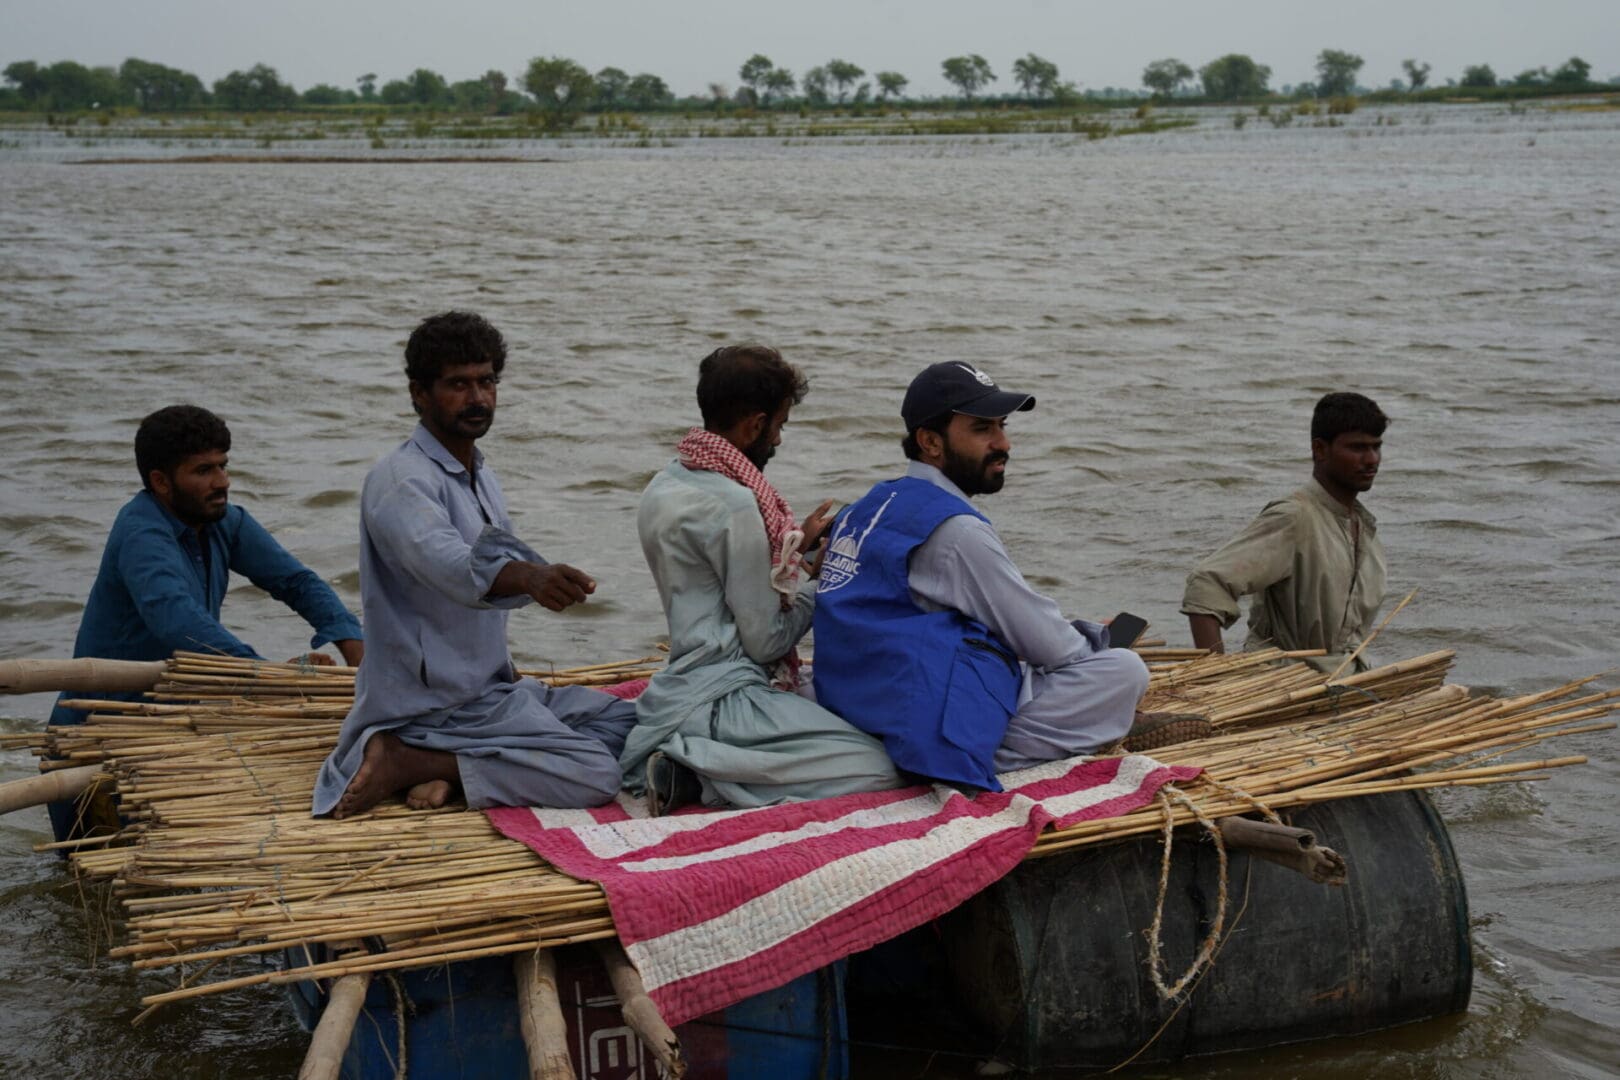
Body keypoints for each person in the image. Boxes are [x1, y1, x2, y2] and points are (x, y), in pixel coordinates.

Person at [311, 312, 636, 818]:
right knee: (595, 772)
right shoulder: (401, 481)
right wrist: (530, 576)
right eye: (458, 385)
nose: (478, 398)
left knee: (630, 725)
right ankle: (409, 759)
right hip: (429, 707)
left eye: (486, 382)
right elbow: (450, 565)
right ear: (420, 393)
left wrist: (537, 585)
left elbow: (482, 572)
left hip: (492, 693)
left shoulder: (480, 474)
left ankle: (447, 770)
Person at [813, 362, 1183, 797]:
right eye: (982, 429)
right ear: (930, 442)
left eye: (1002, 426)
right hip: (911, 718)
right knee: (1122, 670)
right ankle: (973, 758)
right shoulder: (957, 531)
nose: (1003, 444)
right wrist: (1097, 640)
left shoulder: (868, 505)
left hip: (856, 695)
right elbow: (1054, 649)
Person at [46, 404, 364, 840]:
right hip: (100, 731)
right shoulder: (142, 533)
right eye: (203, 470)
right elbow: (179, 624)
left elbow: (295, 581)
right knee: (87, 872)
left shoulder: (223, 520)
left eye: (223, 466)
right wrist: (270, 677)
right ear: (161, 482)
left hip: (175, 721)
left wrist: (353, 643)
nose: (222, 481)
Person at [620, 345, 902, 813]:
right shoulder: (734, 505)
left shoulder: (665, 483)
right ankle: (696, 776)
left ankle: (698, 762)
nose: (779, 440)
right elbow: (766, 642)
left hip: (677, 689)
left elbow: (713, 579)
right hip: (728, 698)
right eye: (779, 425)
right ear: (755, 424)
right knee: (879, 767)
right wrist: (821, 581)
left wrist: (798, 551)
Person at [1181, 392, 1389, 673]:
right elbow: (1207, 584)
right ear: (1320, 449)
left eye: (1376, 447)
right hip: (1285, 679)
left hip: (1346, 676)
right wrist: (1214, 674)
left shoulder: (1364, 527)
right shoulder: (1294, 517)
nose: (1371, 459)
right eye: (1357, 448)